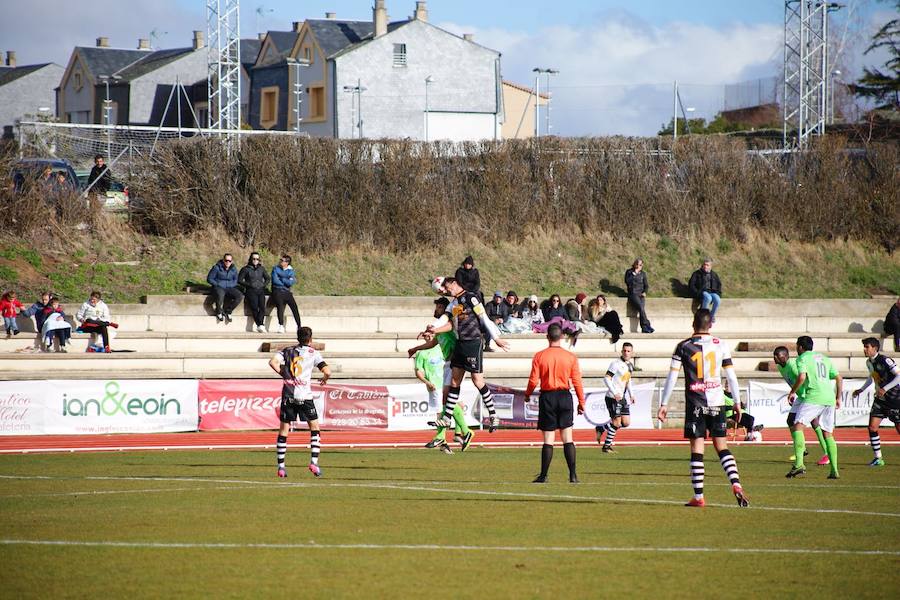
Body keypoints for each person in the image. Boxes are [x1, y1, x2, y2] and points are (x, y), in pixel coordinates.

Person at [657, 309, 749, 507]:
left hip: (696, 404)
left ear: (693, 324)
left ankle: (699, 497)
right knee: (722, 446)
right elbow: (731, 377)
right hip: (717, 403)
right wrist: (737, 402)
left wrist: (664, 403)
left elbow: (672, 377)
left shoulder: (683, 346)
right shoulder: (721, 345)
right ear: (711, 325)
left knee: (697, 449)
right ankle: (736, 483)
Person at [425, 276, 510, 433]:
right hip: (460, 344)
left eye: (448, 288)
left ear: (455, 284)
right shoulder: (454, 304)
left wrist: (496, 338)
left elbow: (483, 318)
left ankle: (493, 414)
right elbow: (448, 321)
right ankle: (446, 418)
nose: (447, 291)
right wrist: (434, 328)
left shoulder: (471, 298)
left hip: (473, 343)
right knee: (455, 383)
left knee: (477, 381)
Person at [408, 295, 475, 453]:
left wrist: (456, 359)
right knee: (448, 402)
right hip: (449, 365)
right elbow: (433, 342)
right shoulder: (440, 329)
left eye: (439, 307)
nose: (436, 309)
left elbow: (457, 337)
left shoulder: (447, 325)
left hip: (454, 364)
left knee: (446, 401)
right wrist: (415, 349)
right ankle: (460, 433)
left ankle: (456, 433)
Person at [525, 323, 585, 483]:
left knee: (548, 439)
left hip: (548, 397)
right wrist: (581, 401)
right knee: (568, 438)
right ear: (563, 337)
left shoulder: (539, 356)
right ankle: (573, 475)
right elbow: (577, 381)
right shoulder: (570, 357)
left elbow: (533, 380)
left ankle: (544, 475)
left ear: (547, 337)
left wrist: (527, 394)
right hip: (565, 396)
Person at [269, 326, 331, 478]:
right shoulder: (313, 353)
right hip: (305, 396)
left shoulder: (286, 350)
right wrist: (324, 379)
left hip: (288, 395)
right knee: (314, 427)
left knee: (284, 430)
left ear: (298, 338)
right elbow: (328, 371)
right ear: (310, 339)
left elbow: (272, 362)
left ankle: (281, 467)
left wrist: (283, 373)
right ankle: (314, 462)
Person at [785, 336, 842, 480]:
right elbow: (838, 378)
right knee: (827, 433)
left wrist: (792, 392)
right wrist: (838, 397)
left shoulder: (802, 358)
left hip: (814, 397)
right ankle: (834, 470)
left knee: (797, 426)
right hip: (829, 397)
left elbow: (802, 377)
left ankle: (799, 464)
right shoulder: (824, 358)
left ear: (800, 347)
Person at [774, 346, 829, 466]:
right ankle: (802, 449)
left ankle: (827, 453)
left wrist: (796, 392)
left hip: (808, 396)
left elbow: (804, 378)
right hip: (800, 396)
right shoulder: (779, 367)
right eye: (774, 355)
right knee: (790, 421)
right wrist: (795, 392)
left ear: (785, 356)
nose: (775, 357)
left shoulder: (793, 366)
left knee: (815, 423)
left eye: (778, 355)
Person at [853, 337, 900, 467]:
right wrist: (861, 390)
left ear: (875, 348)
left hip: (894, 398)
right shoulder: (869, 362)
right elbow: (872, 377)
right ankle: (878, 458)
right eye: (864, 347)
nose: (864, 349)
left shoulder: (885, 360)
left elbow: (898, 376)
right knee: (872, 427)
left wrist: (885, 388)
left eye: (867, 347)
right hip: (880, 399)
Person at [595, 342, 634, 453]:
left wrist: (632, 394)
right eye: (624, 350)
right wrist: (615, 392)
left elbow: (628, 380)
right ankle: (606, 447)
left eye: (628, 351)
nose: (626, 353)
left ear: (632, 353)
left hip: (622, 397)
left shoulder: (630, 366)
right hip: (612, 397)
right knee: (616, 422)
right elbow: (607, 378)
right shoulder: (615, 364)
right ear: (621, 351)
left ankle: (601, 428)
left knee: (625, 423)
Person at [238, 251, 269, 333]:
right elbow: (239, 280)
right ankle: (260, 324)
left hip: (261, 290)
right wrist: (249, 284)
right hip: (251, 291)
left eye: (257, 259)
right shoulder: (245, 269)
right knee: (255, 308)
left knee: (262, 307)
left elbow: (268, 278)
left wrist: (263, 285)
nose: (255, 260)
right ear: (250, 259)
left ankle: (260, 325)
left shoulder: (261, 268)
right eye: (254, 259)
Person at [206, 254, 243, 324]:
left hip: (229, 287)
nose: (227, 262)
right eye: (226, 260)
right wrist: (217, 284)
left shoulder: (233, 269)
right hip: (218, 287)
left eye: (229, 261)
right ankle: (219, 312)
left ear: (231, 261)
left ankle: (228, 311)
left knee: (239, 296)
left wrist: (231, 285)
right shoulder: (217, 267)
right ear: (223, 260)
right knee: (220, 295)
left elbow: (235, 280)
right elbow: (209, 278)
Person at [270, 254, 301, 334]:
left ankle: (299, 326)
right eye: (280, 260)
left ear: (287, 263)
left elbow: (291, 282)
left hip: (287, 292)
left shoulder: (290, 270)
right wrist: (286, 280)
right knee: (280, 306)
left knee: (294, 307)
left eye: (282, 260)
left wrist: (282, 278)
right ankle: (281, 325)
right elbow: (275, 281)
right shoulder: (275, 269)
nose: (280, 261)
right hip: (278, 290)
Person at [625, 258, 654, 333]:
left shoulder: (643, 274)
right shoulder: (629, 272)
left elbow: (646, 285)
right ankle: (647, 324)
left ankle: (644, 328)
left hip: (641, 294)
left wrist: (645, 292)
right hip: (633, 294)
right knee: (641, 308)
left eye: (640, 265)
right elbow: (627, 282)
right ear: (635, 264)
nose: (638, 266)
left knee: (642, 310)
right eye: (637, 264)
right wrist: (634, 274)